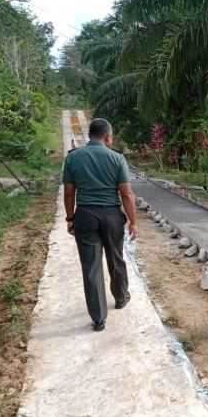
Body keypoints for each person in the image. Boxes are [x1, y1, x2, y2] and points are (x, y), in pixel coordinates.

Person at [62, 118, 138, 332]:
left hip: (85, 215)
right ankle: (121, 297)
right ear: (107, 137)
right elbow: (126, 194)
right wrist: (133, 221)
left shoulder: (73, 158)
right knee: (116, 258)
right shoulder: (117, 159)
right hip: (112, 216)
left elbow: (69, 192)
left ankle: (98, 318)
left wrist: (70, 219)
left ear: (90, 136)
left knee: (91, 266)